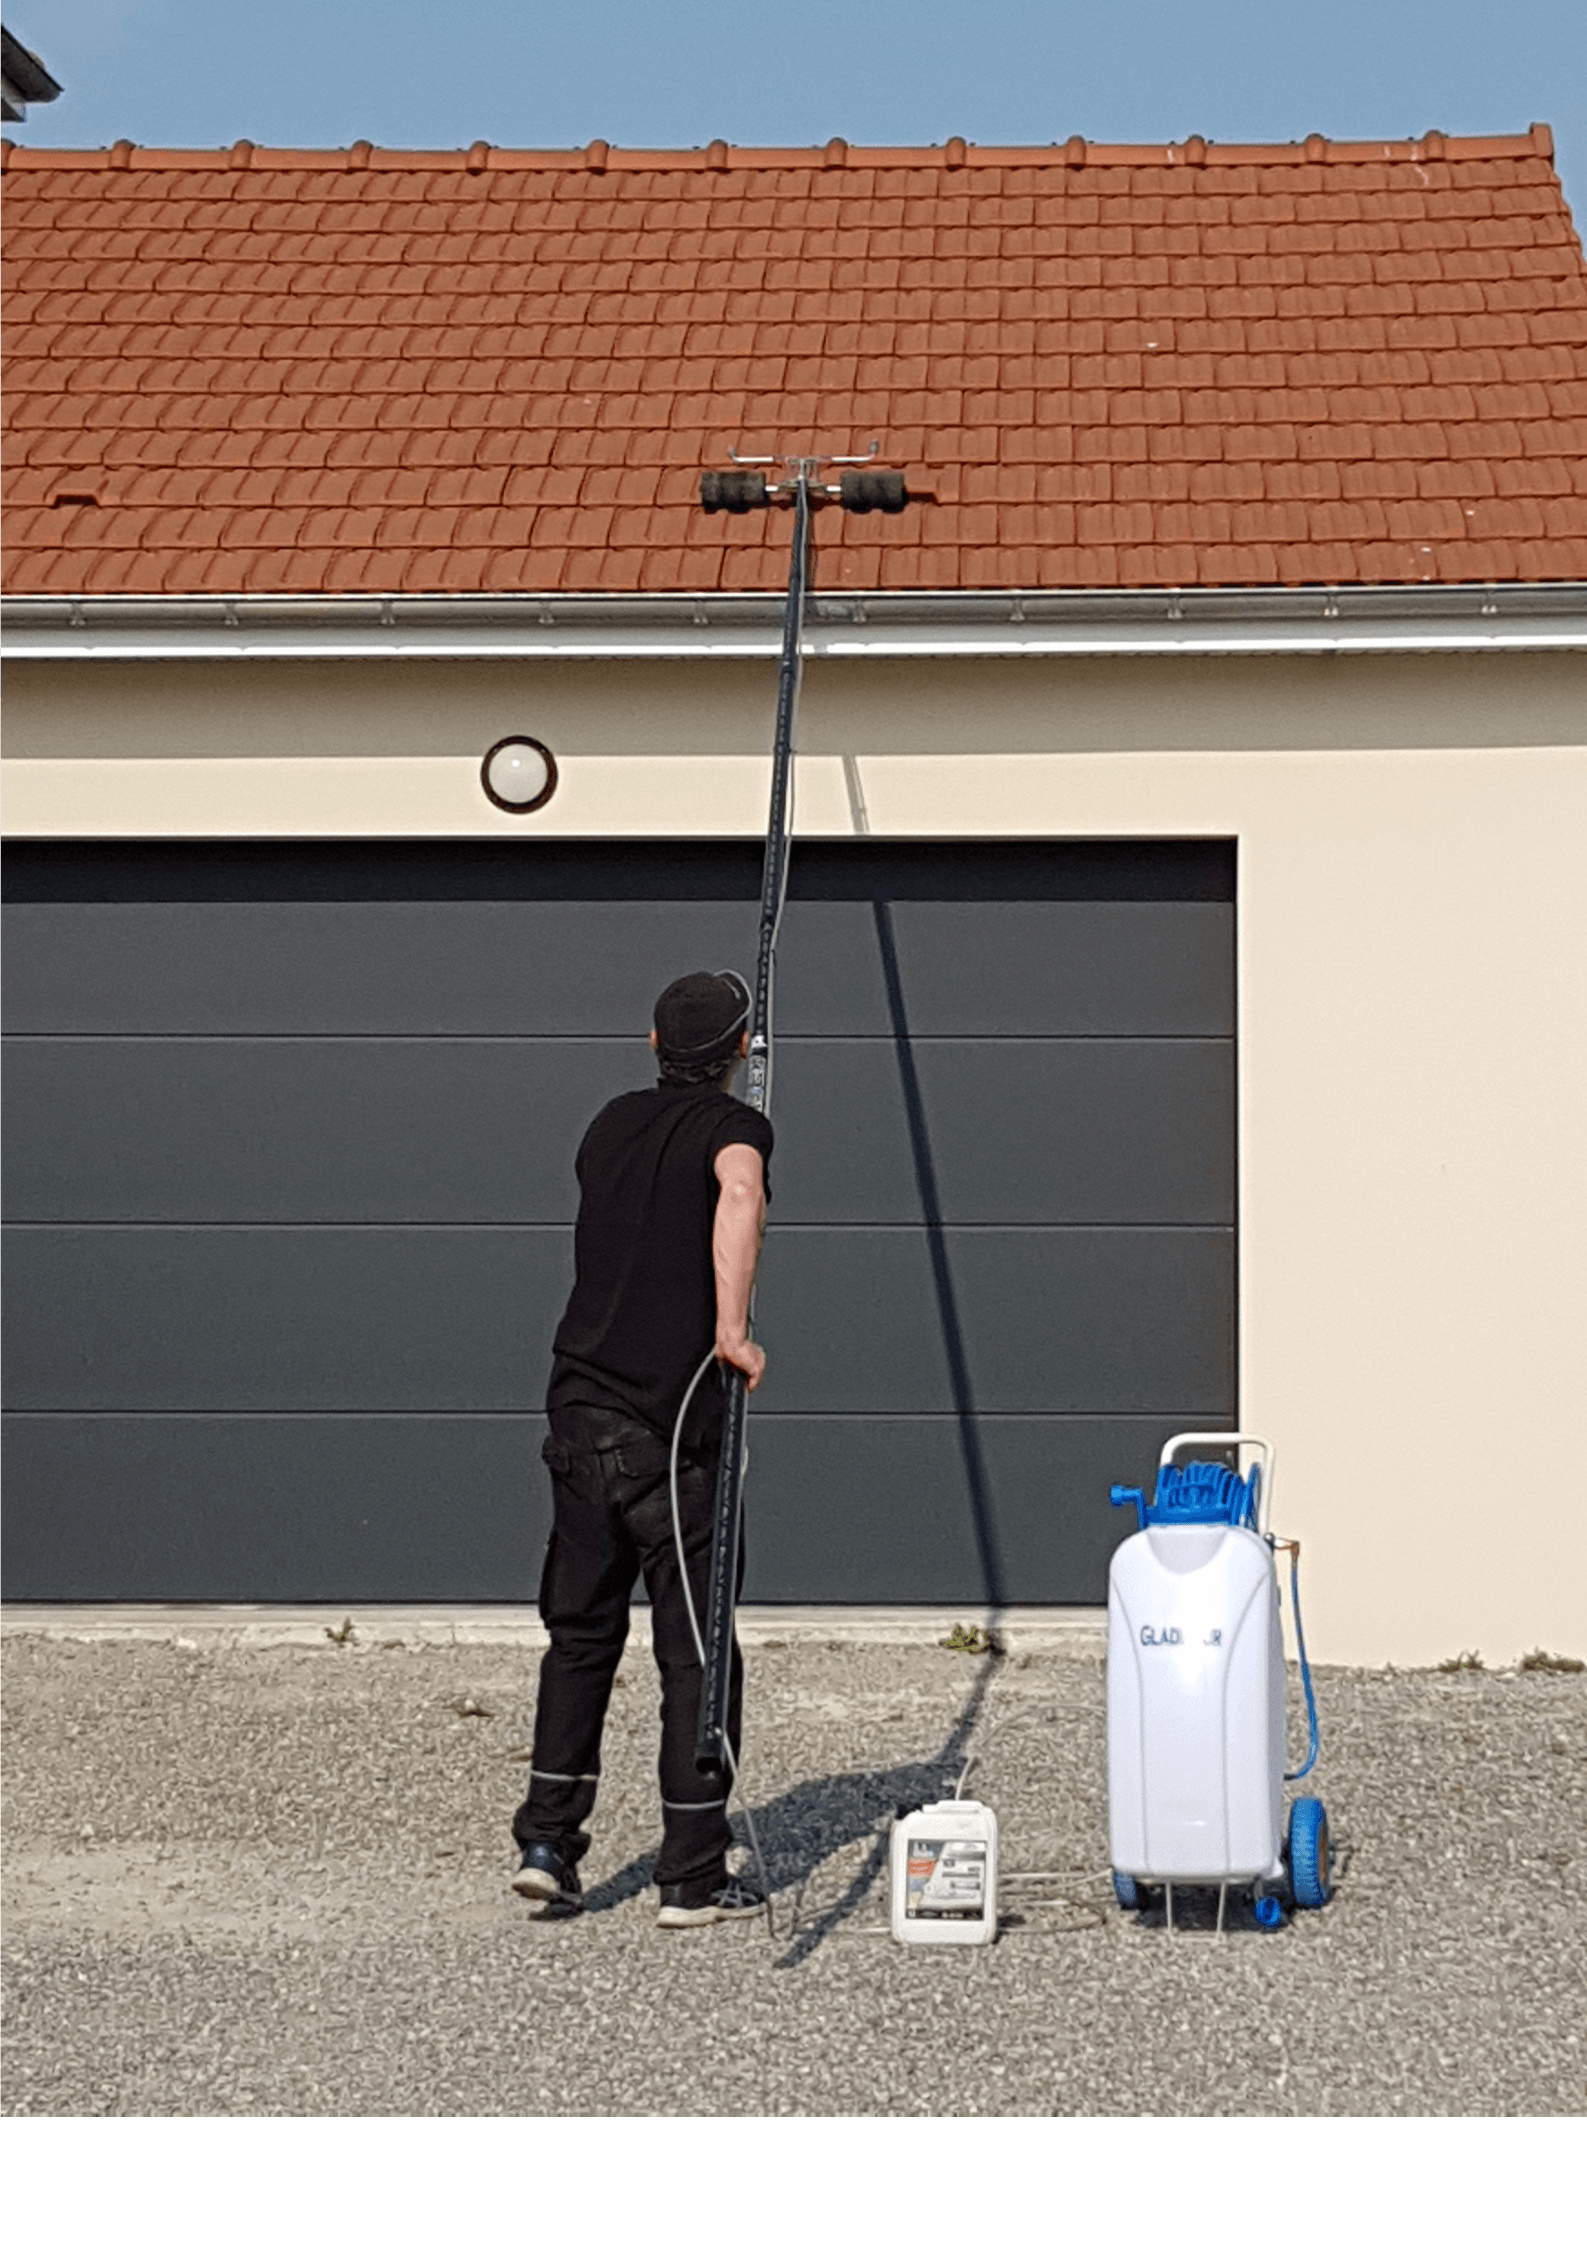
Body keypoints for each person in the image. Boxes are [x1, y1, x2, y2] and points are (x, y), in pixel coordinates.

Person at [510, 970, 773, 1928]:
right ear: (742, 1050)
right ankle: (692, 1876)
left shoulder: (607, 1123)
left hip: (577, 1413)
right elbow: (736, 1193)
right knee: (695, 1653)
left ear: (653, 1042)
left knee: (579, 1636)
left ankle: (548, 1841)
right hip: (670, 1437)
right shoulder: (735, 1133)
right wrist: (732, 1329)